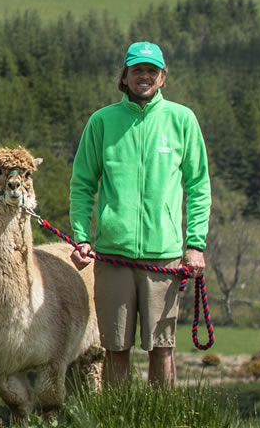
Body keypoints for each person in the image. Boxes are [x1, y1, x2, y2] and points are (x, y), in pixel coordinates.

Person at [69, 41, 211, 387]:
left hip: (163, 258)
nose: (144, 76)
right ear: (125, 76)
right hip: (113, 256)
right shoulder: (102, 122)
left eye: (151, 71)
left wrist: (195, 244)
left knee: (162, 348)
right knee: (116, 348)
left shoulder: (182, 120)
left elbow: (199, 188)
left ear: (162, 77)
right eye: (137, 70)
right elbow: (83, 184)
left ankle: (158, 422)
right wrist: (81, 237)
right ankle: (118, 422)